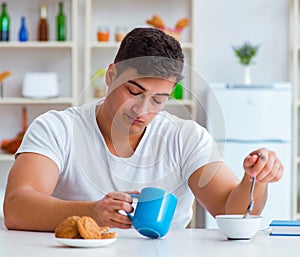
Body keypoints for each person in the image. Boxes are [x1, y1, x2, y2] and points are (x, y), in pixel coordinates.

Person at [3, 27, 283, 231]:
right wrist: (92, 212)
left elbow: (231, 212)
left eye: (158, 99)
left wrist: (255, 179)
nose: (142, 109)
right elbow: (16, 207)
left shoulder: (186, 137)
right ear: (111, 76)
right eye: (134, 91)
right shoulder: (57, 128)